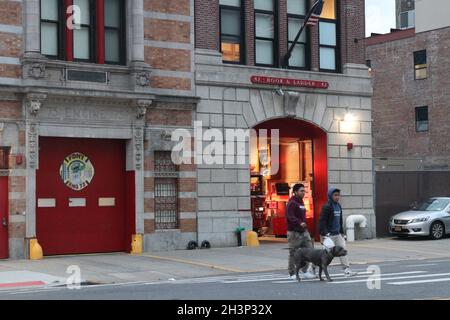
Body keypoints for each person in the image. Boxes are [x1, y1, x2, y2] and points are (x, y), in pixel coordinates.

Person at [318, 187, 357, 277]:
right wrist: (324, 233)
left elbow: (340, 220)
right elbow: (322, 221)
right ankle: (312, 268)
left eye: (338, 195)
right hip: (329, 235)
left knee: (343, 250)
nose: (337, 197)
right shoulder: (327, 206)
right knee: (324, 254)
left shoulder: (338, 206)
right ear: (330, 196)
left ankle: (346, 269)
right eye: (335, 195)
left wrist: (341, 232)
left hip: (338, 234)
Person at [286, 183, 316, 280]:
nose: (303, 193)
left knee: (309, 251)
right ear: (295, 192)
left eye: (304, 191)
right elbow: (290, 217)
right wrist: (299, 223)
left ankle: (305, 271)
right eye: (301, 191)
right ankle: (292, 273)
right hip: (294, 232)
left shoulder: (301, 202)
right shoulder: (292, 203)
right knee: (293, 252)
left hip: (304, 231)